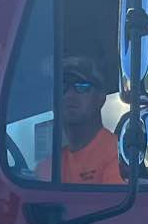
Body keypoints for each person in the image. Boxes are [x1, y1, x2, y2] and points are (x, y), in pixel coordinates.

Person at [35, 53, 126, 185]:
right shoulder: (47, 166)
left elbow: (113, 203)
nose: (70, 95)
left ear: (101, 97)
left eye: (81, 86)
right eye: (63, 87)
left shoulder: (118, 155)